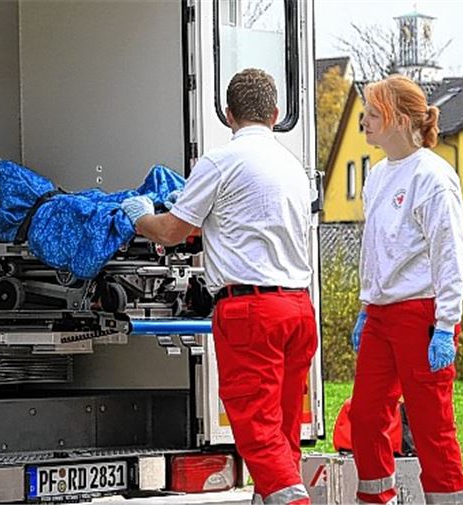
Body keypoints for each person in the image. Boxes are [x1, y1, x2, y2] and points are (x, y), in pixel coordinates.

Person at [121, 68, 316, 505]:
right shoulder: (293, 167)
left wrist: (139, 218)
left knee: (256, 428)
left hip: (252, 312)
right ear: (277, 113)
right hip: (298, 309)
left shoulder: (221, 162)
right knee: (282, 429)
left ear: (229, 114)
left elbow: (173, 230)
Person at [349, 75, 463, 505]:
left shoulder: (433, 177)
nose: (363, 120)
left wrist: (445, 325)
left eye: (373, 114)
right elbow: (375, 248)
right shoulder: (378, 175)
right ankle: (375, 497)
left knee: (430, 424)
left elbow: (450, 254)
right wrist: (367, 305)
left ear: (400, 121)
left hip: (422, 314)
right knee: (365, 418)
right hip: (383, 314)